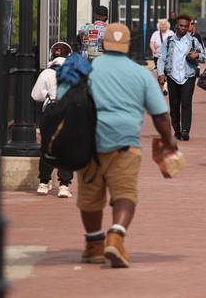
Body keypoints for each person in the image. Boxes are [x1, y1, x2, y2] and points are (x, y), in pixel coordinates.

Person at [68, 23, 176, 268]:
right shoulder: (140, 74)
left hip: (90, 145)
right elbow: (160, 115)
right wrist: (169, 143)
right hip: (125, 143)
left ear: (104, 44)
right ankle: (116, 236)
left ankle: (94, 246)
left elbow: (67, 99)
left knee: (90, 197)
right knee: (125, 194)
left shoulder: (88, 69)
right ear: (127, 46)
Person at [30, 41, 74, 198]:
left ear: (52, 54)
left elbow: (36, 96)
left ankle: (43, 182)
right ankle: (63, 185)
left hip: (51, 110)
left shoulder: (47, 73)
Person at [157, 15, 205, 141]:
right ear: (176, 26)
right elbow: (161, 58)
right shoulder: (168, 41)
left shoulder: (193, 41)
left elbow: (203, 56)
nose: (183, 28)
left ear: (188, 27)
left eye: (186, 26)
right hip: (172, 76)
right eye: (181, 25)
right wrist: (161, 74)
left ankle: (185, 131)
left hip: (188, 76)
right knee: (174, 105)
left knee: (186, 103)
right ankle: (177, 129)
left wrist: (196, 56)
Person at [150, 19, 174, 94]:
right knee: (160, 73)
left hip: (168, 56)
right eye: (161, 24)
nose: (163, 26)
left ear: (167, 25)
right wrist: (153, 51)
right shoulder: (155, 34)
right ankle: (162, 88)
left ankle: (165, 88)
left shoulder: (171, 33)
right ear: (159, 26)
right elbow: (151, 43)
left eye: (164, 24)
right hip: (157, 56)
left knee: (167, 72)